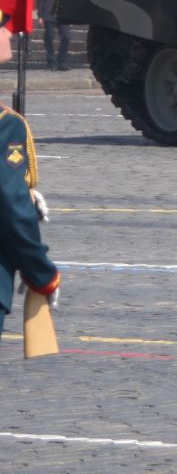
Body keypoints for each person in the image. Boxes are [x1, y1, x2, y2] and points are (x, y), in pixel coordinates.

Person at [0, 28, 61, 341]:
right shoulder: (6, 125)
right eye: (1, 25)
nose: (9, 32)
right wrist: (42, 275)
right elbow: (9, 207)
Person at [35, 0, 70, 72]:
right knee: (49, 37)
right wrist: (40, 15)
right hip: (48, 12)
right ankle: (52, 62)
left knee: (66, 37)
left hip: (63, 13)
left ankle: (62, 62)